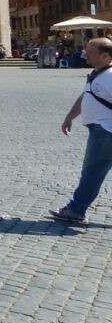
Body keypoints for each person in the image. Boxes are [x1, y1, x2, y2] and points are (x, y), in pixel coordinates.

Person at [50, 37, 112, 226]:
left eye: (90, 52)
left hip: (105, 131)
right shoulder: (97, 73)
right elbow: (87, 95)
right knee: (93, 172)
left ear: (105, 56)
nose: (85, 54)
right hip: (101, 129)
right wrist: (70, 117)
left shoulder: (109, 76)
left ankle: (76, 210)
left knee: (92, 172)